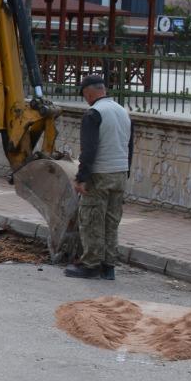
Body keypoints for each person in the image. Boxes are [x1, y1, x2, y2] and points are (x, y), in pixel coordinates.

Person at [66, 72, 133, 281]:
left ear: (89, 93)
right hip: (120, 173)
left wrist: (82, 177)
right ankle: (108, 266)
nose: (86, 100)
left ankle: (91, 264)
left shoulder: (94, 114)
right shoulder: (123, 111)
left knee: (92, 219)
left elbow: (89, 149)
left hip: (100, 174)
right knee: (111, 221)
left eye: (85, 95)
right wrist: (126, 170)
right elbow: (129, 145)